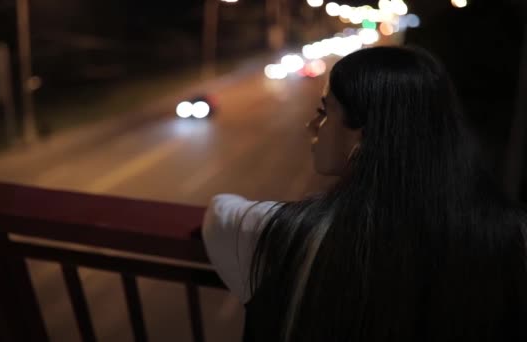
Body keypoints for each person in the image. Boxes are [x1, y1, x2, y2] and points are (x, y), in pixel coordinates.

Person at [201, 46, 527, 342]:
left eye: (325, 110)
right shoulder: (510, 233)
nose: (312, 126)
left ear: (363, 134)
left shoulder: (290, 234)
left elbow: (221, 213)